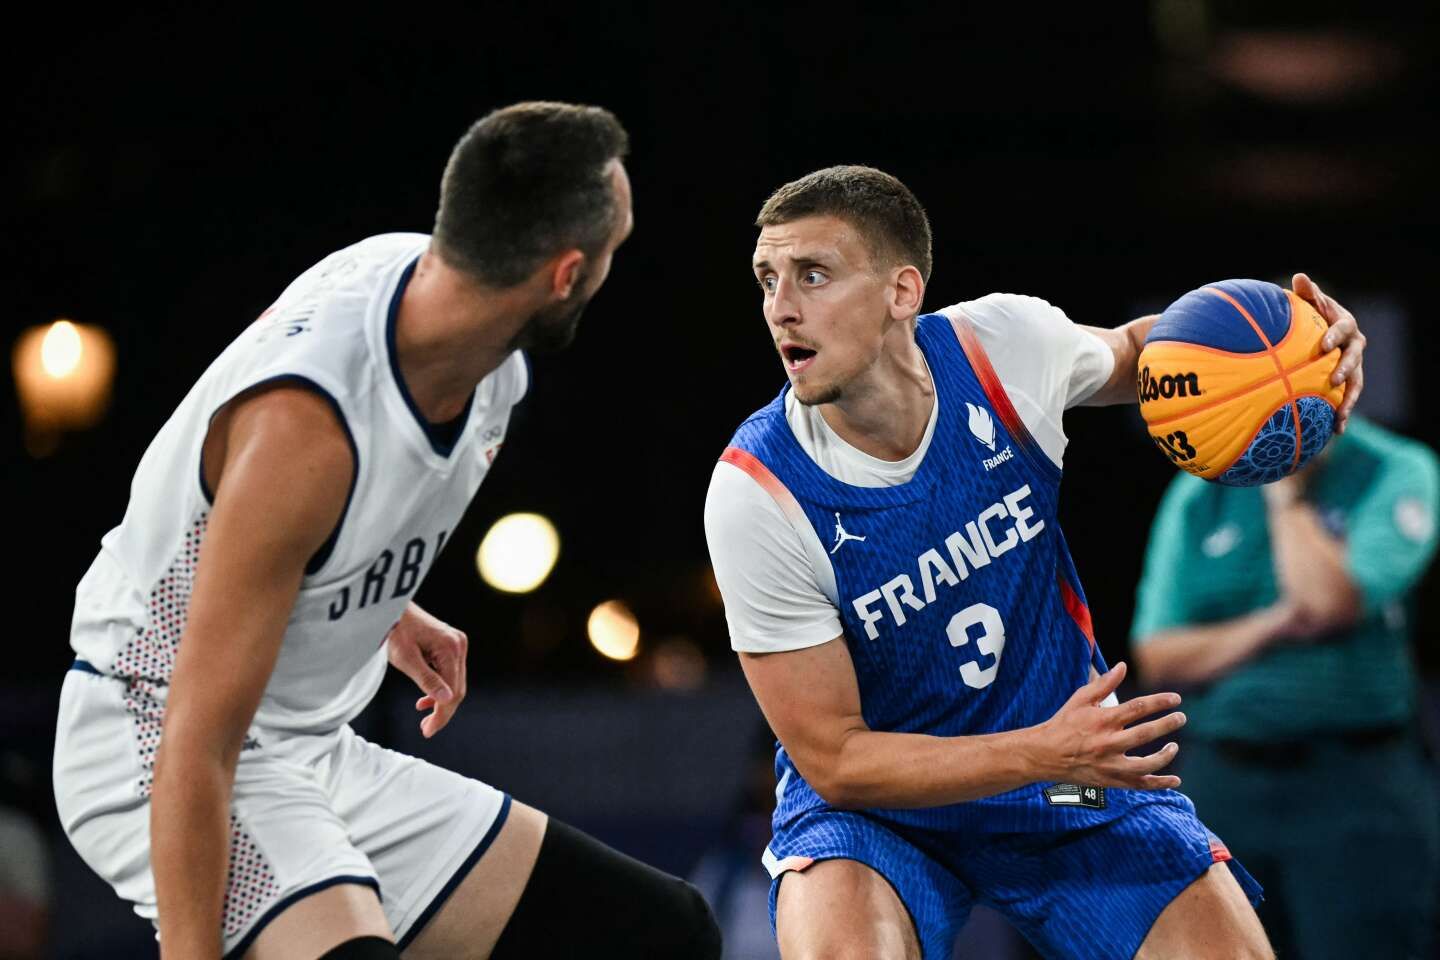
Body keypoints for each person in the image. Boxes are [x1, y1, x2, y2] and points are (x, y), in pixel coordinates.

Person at [52, 101, 721, 960]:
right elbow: (196, 737)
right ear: (565, 276)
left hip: (304, 744)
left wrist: (376, 604)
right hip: (153, 739)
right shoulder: (306, 430)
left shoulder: (456, 331)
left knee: (661, 936)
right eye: (615, 250)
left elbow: (271, 529)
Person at [702, 165, 1366, 960]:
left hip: (1063, 784)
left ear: (902, 292)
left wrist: (1298, 355)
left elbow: (1136, 354)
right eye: (768, 278)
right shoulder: (757, 493)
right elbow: (838, 761)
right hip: (883, 811)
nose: (781, 306)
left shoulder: (1001, 350)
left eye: (813, 275)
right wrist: (1046, 749)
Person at [1131, 415, 1440, 959]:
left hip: (1357, 783)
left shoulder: (1395, 467)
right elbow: (1157, 655)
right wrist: (1275, 624)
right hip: (1224, 780)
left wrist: (1284, 493)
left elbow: (1323, 604)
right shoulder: (1199, 492)